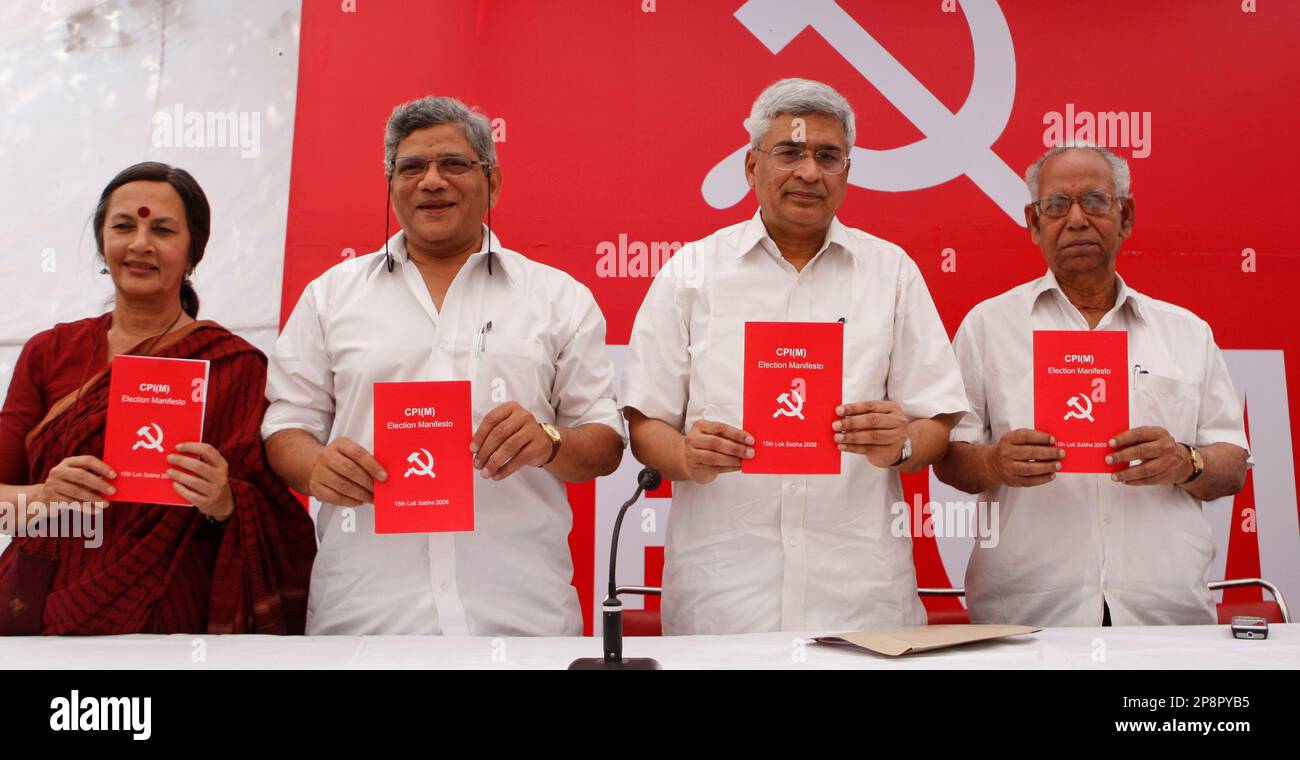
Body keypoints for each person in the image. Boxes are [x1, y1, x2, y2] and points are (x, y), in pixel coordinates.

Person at [263, 95, 624, 636]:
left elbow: (605, 441)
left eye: (454, 164)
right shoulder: (329, 298)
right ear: (391, 186)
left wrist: (549, 440)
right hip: (367, 617)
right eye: (411, 168)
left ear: (493, 183)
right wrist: (314, 465)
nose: (432, 181)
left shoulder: (557, 298)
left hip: (519, 618)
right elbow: (286, 425)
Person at [620, 78, 968, 634]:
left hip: (861, 598)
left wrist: (899, 442)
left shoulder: (892, 272)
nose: (809, 172)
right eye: (789, 153)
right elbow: (645, 424)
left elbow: (939, 422)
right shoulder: (691, 273)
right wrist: (687, 455)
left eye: (827, 156)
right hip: (725, 598)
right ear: (751, 167)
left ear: (847, 172)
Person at [935, 143, 1249, 626]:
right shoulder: (988, 327)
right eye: (1056, 206)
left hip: (1164, 618)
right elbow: (950, 460)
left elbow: (1231, 466)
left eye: (1096, 202)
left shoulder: (1186, 332)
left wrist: (1185, 461)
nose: (1076, 219)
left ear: (1125, 217)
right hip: (1028, 614)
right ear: (1034, 224)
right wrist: (995, 462)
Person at [0, 162, 316, 635]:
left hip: (173, 619)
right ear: (103, 243)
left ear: (193, 253)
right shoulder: (50, 352)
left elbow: (276, 520)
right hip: (45, 611)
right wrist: (44, 496)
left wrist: (224, 500)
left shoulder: (234, 365)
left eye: (163, 229)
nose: (141, 243)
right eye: (124, 226)